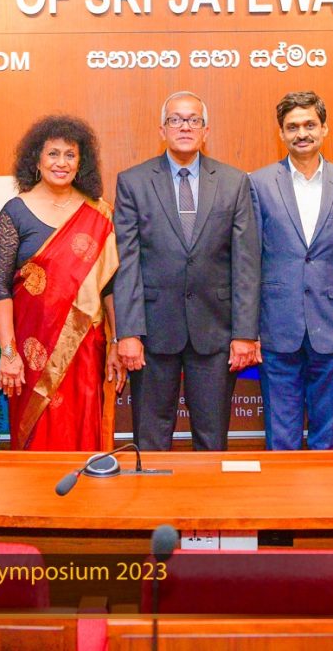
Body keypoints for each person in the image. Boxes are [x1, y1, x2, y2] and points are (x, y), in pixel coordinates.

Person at [113, 90, 260, 451]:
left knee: (212, 439)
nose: (184, 127)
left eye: (193, 120)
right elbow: (126, 263)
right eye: (175, 120)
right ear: (162, 129)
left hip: (215, 331)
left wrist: (245, 332)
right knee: (150, 439)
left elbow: (245, 263)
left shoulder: (234, 181)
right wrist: (127, 332)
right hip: (152, 332)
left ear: (205, 130)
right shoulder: (133, 182)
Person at [250, 91, 333, 450]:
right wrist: (248, 330)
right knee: (281, 439)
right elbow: (249, 263)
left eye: (309, 125)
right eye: (292, 127)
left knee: (327, 438)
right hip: (276, 327)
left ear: (324, 129)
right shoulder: (258, 183)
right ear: (281, 133)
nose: (301, 133)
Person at [0, 115, 123, 450]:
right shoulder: (15, 212)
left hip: (84, 348)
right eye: (53, 154)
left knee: (82, 430)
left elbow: (109, 287)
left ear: (81, 163)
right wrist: (8, 354)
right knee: (37, 433)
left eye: (70, 155)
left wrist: (117, 343)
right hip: (30, 351)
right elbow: (1, 289)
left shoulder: (99, 213)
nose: (61, 163)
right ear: (36, 160)